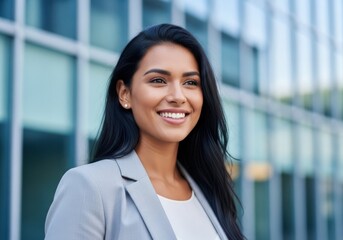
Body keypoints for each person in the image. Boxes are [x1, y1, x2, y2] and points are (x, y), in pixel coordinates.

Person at [45, 23, 244, 240]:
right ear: (124, 94)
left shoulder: (209, 188)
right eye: (158, 80)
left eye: (190, 82)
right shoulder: (90, 187)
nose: (178, 96)